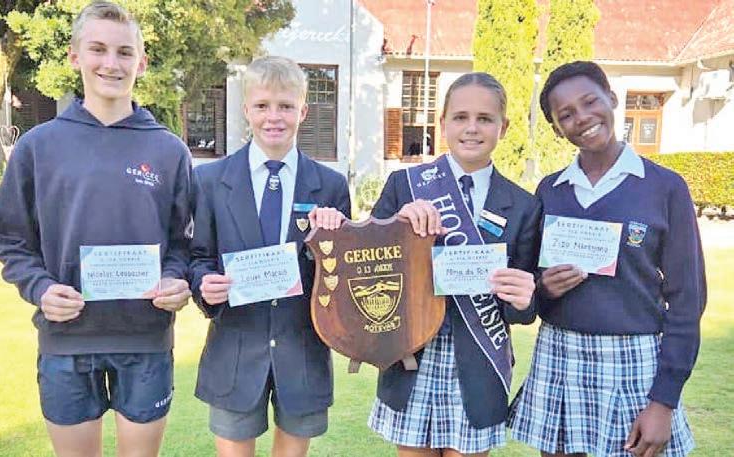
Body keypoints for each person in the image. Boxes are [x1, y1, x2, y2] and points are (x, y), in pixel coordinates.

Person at [0, 2, 192, 456]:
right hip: (65, 340)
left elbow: (185, 243)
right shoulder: (39, 146)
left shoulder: (168, 150)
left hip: (145, 340)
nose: (111, 63)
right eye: (97, 49)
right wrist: (40, 288)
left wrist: (176, 278)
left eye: (124, 52)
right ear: (74, 56)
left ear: (141, 62)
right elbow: (10, 238)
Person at [508, 61, 705, 457]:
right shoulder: (550, 191)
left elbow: (687, 300)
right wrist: (544, 288)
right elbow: (526, 291)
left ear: (612, 99)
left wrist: (663, 401)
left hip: (633, 362)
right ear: (556, 129)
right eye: (566, 114)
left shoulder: (664, 188)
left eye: (589, 102)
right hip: (560, 357)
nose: (582, 118)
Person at [368, 72, 542, 457]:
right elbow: (368, 269)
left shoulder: (524, 205)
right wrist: (398, 224)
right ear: (443, 122)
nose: (472, 128)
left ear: (503, 127)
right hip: (413, 360)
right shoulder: (404, 185)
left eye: (485, 118)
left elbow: (525, 308)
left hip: (479, 365)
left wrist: (524, 299)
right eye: (461, 117)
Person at [189, 55, 351, 457]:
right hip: (235, 348)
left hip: (302, 351)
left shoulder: (330, 186)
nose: (273, 117)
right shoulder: (209, 180)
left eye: (285, 106)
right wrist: (204, 284)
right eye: (262, 105)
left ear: (303, 111)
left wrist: (334, 237)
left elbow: (341, 279)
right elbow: (198, 257)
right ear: (246, 109)